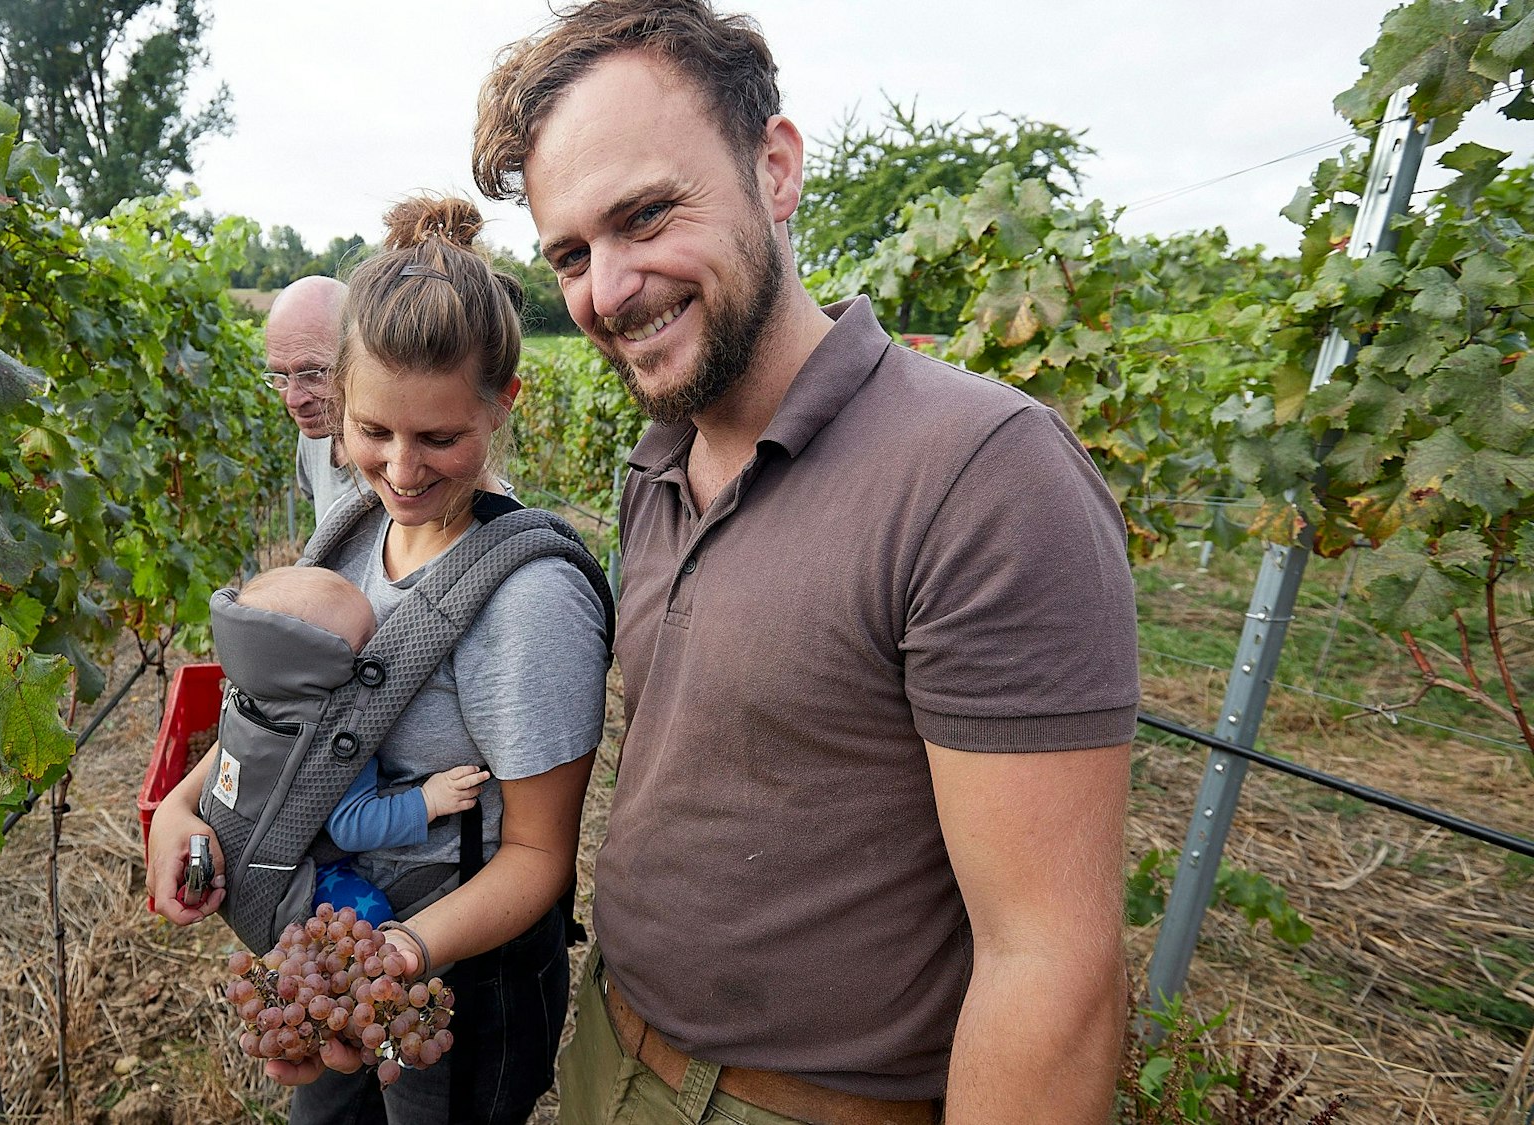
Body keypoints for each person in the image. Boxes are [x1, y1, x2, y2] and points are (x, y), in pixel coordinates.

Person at [472, 2, 1139, 1123]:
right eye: (572, 253)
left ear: (773, 168)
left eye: (645, 215)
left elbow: (1050, 970)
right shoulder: (655, 469)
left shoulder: (981, 478)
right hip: (610, 1052)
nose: (607, 289)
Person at [148, 194, 609, 1125]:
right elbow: (282, 711)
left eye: (439, 437)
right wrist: (183, 807)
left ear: (504, 401)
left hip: (459, 971)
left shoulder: (531, 603)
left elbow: (537, 857)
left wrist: (401, 951)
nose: (400, 469)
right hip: (328, 940)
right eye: (373, 433)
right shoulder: (349, 534)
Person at [211, 564, 492, 926]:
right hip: (303, 874)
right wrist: (428, 801)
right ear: (319, 665)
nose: (377, 647)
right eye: (363, 647)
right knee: (366, 918)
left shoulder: (263, 691)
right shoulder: (327, 737)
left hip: (237, 852)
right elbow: (350, 825)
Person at [266, 275, 363, 525]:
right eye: (279, 376)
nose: (293, 399)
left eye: (313, 374)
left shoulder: (399, 464)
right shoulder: (315, 435)